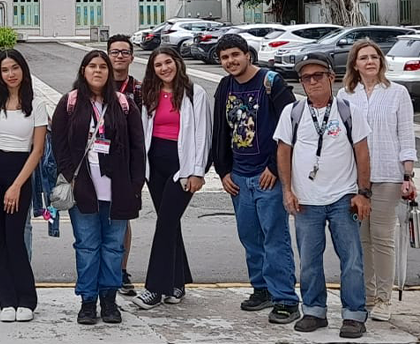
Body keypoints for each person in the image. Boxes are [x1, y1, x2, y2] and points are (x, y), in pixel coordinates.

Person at [276, 52, 372, 339]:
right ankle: (314, 311)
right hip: (306, 201)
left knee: (352, 259)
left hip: (343, 198)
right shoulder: (292, 113)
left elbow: (363, 153)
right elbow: (283, 151)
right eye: (306, 77)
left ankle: (354, 315)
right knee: (309, 260)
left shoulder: (348, 111)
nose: (313, 81)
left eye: (319, 75)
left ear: (332, 77)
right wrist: (287, 190)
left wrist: (363, 193)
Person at [210, 32, 300, 324]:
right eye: (224, 58)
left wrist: (275, 167)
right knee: (250, 237)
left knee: (275, 238)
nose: (230, 61)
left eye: (235, 55)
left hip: (267, 177)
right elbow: (220, 131)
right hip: (239, 177)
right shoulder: (225, 86)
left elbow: (290, 127)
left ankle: (285, 298)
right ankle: (261, 289)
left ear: (247, 54)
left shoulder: (271, 83)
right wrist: (223, 170)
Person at [52, 49, 144, 326]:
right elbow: (59, 145)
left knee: (114, 246)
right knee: (87, 246)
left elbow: (138, 148)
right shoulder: (70, 103)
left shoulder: (124, 104)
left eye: (102, 66)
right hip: (83, 188)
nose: (98, 71)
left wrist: (136, 185)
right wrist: (71, 177)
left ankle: (109, 299)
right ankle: (88, 301)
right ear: (83, 70)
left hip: (118, 189)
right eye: (92, 66)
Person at [338, 39, 416, 322]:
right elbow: (341, 140)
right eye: (363, 58)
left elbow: (406, 137)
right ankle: (367, 295)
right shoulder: (345, 96)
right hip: (355, 178)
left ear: (381, 62)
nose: (370, 61)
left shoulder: (397, 93)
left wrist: (407, 175)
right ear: (355, 65)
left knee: (382, 238)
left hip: (388, 176)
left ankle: (384, 298)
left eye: (374, 57)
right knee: (361, 239)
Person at [132, 48, 210, 310]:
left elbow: (202, 135)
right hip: (155, 166)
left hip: (182, 167)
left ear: (177, 63)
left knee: (165, 223)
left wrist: (197, 171)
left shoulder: (193, 93)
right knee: (170, 223)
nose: (164, 68)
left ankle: (155, 288)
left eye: (168, 62)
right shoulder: (149, 94)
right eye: (158, 65)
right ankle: (178, 282)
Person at [0, 48, 46, 323]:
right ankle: (5, 299)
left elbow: (38, 150)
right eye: (5, 70)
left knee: (15, 238)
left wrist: (18, 184)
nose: (10, 74)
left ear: (23, 69)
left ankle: (26, 299)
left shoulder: (37, 104)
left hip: (19, 172)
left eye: (14, 68)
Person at [107, 34, 139, 296]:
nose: (119, 56)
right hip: (96, 163)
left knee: (122, 218)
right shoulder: (93, 85)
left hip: (126, 164)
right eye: (114, 52)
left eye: (124, 52)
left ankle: (121, 270)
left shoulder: (139, 89)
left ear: (132, 56)